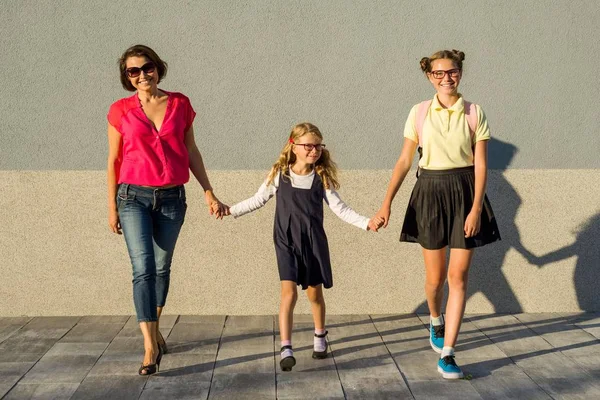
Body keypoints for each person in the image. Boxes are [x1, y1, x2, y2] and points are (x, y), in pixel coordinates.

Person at [374, 50, 500, 379]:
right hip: (429, 191)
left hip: (464, 193)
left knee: (458, 278)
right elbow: (404, 160)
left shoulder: (474, 112)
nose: (446, 77)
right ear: (430, 76)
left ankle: (448, 353)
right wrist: (387, 202)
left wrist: (475, 208)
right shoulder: (418, 113)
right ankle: (434, 318)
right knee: (435, 280)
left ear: (460, 73)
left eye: (452, 71)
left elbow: (482, 164)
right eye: (439, 73)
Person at [106, 44, 226, 375]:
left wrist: (208, 191)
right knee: (142, 267)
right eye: (134, 71)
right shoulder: (120, 110)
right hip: (132, 198)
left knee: (161, 267)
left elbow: (191, 151)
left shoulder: (180, 104)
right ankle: (149, 346)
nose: (142, 75)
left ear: (158, 68)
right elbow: (114, 161)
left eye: (147, 68)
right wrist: (111, 207)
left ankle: (155, 329)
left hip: (173, 198)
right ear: (126, 77)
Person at [225, 122, 381, 372]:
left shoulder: (321, 177)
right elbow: (258, 199)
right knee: (288, 293)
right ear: (293, 145)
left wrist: (367, 223)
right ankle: (286, 346)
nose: (314, 150)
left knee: (314, 295)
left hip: (312, 243)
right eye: (308, 145)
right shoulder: (279, 173)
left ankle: (320, 336)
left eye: (318, 146)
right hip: (286, 241)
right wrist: (229, 210)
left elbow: (341, 209)